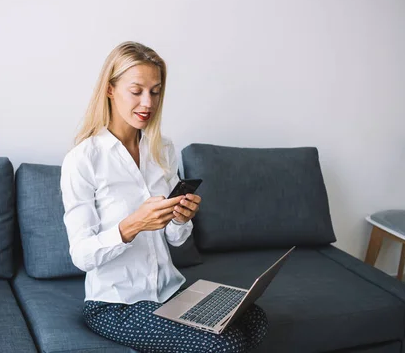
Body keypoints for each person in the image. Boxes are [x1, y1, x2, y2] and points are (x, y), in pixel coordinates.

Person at [60, 41, 268, 352]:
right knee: (224, 345)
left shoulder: (162, 149)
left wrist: (181, 218)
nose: (148, 102)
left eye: (155, 92)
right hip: (117, 304)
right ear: (110, 90)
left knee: (255, 318)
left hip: (171, 291)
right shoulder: (83, 159)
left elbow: (175, 238)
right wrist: (133, 225)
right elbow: (81, 255)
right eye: (137, 90)